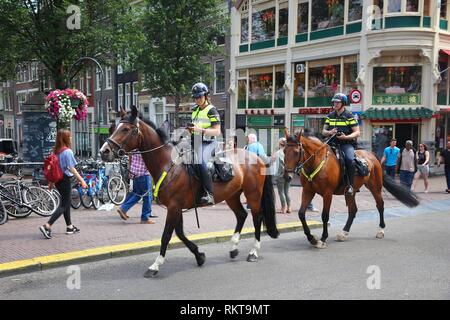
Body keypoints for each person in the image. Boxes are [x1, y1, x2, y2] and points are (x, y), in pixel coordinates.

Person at [39, 129, 88, 239]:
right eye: (69, 136)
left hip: (58, 181)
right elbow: (72, 168)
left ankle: (69, 226)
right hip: (65, 180)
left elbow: (53, 169)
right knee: (64, 204)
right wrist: (82, 180)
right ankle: (47, 225)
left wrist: (51, 183)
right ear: (65, 138)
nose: (71, 138)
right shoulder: (68, 152)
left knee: (66, 202)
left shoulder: (55, 151)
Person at [187, 82, 221, 206]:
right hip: (195, 141)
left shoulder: (211, 110)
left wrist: (199, 130)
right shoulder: (195, 110)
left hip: (209, 142)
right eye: (195, 97)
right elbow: (195, 127)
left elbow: (217, 131)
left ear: (206, 96)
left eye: (199, 97)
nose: (197, 100)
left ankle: (209, 194)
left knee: (200, 161)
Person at [322, 93, 360, 195]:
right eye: (334, 102)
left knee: (349, 160)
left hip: (346, 143)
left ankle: (351, 185)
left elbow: (357, 132)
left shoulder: (349, 116)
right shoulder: (330, 116)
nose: (335, 104)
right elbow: (323, 132)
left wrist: (346, 137)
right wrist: (329, 132)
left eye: (338, 102)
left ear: (343, 103)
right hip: (331, 143)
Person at [117, 153, 156, 224]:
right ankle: (144, 218)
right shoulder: (144, 147)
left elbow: (130, 157)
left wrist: (130, 169)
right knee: (147, 196)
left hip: (135, 173)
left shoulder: (134, 147)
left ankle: (123, 208)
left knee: (137, 193)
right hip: (143, 174)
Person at [272, 138, 291, 214]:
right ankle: (289, 207)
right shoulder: (289, 152)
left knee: (281, 192)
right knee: (287, 192)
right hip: (289, 174)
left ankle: (283, 208)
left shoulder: (278, 153)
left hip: (281, 175)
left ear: (280, 144)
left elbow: (275, 165)